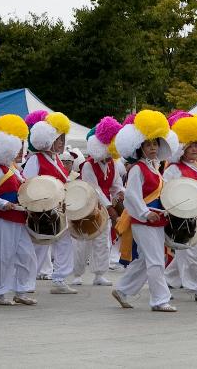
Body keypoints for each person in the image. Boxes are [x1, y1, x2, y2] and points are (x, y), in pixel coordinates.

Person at [111, 110, 180, 312]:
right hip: (144, 220)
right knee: (156, 260)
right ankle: (159, 300)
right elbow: (131, 195)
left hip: (156, 219)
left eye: (155, 144)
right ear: (139, 147)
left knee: (146, 259)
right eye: (148, 144)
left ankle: (123, 289)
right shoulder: (137, 169)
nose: (152, 148)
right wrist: (143, 213)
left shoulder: (153, 167)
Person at [0, 113, 36, 306]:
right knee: (3, 256)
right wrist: (3, 204)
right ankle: (0, 293)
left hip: (19, 217)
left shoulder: (15, 170)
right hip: (4, 218)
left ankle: (22, 290)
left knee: (26, 255)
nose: (20, 151)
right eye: (17, 147)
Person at [161, 112, 197, 303]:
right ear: (181, 147)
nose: (194, 149)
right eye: (189, 145)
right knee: (191, 254)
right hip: (182, 220)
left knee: (191, 252)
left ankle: (167, 279)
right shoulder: (174, 169)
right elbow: (166, 193)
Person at [24, 111, 78, 296]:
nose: (62, 142)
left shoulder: (55, 159)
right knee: (38, 245)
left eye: (63, 138)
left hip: (58, 209)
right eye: (58, 139)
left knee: (64, 243)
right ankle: (28, 281)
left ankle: (60, 278)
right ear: (48, 140)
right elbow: (28, 183)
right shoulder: (35, 159)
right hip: (41, 210)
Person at [71, 117, 124, 287]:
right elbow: (94, 188)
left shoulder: (113, 164)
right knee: (82, 241)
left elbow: (116, 186)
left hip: (103, 207)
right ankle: (77, 274)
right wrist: (109, 207)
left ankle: (99, 274)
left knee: (103, 241)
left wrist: (122, 195)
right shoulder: (88, 165)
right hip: (86, 207)